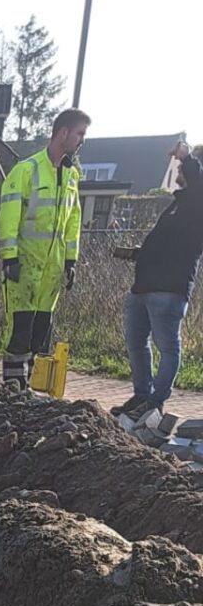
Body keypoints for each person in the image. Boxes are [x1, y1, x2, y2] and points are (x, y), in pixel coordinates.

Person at [113, 141, 203, 432]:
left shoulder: (198, 200)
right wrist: (139, 253)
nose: (179, 167)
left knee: (168, 347)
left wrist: (188, 156)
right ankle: (142, 395)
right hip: (144, 286)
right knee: (136, 342)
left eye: (186, 165)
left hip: (169, 288)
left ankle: (155, 402)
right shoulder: (180, 204)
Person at [0, 107, 89, 386]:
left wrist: (71, 261)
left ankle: (24, 387)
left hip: (52, 271)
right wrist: (9, 257)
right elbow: (8, 218)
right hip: (25, 266)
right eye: (80, 134)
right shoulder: (27, 170)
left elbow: (73, 221)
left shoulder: (71, 177)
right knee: (19, 331)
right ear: (63, 132)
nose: (82, 141)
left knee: (39, 333)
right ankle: (13, 389)